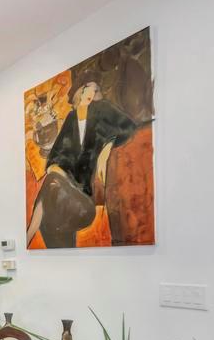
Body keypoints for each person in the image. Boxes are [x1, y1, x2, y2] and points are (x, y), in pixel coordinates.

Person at [26, 80, 136, 248]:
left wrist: (108, 144)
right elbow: (53, 157)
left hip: (83, 201)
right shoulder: (71, 118)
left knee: (51, 184)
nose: (90, 91)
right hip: (63, 197)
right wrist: (55, 169)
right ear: (80, 93)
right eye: (87, 88)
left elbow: (128, 127)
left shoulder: (101, 113)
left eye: (95, 89)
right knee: (50, 222)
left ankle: (27, 236)